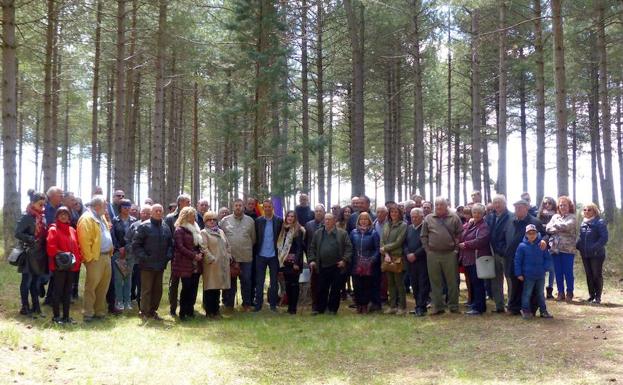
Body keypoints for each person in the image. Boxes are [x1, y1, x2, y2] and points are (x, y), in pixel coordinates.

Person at [504, 199, 548, 315]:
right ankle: (514, 308)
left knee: (531, 287)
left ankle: (531, 309)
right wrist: (503, 250)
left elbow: (544, 235)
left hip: (530, 260)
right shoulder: (511, 221)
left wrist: (543, 241)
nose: (517, 210)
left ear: (526, 208)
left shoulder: (534, 222)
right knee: (515, 283)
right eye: (516, 207)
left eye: (520, 207)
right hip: (514, 258)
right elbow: (503, 237)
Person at [420, 196, 463, 315]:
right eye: (437, 204)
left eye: (441, 205)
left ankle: (454, 306)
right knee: (435, 281)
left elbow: (460, 234)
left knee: (452, 281)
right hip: (433, 254)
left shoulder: (454, 217)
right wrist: (427, 250)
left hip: (449, 254)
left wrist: (455, 250)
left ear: (446, 205)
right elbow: (423, 235)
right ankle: (438, 307)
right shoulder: (428, 218)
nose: (439, 207)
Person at [132, 204, 174, 321]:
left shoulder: (165, 227)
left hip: (160, 264)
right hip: (147, 265)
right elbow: (136, 245)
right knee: (146, 290)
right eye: (156, 211)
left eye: (160, 211)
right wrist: (144, 257)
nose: (159, 212)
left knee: (158, 290)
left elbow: (170, 244)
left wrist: (168, 256)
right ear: (151, 212)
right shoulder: (143, 226)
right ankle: (144, 312)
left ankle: (152, 311)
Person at [77, 195, 114, 322]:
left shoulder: (101, 217)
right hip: (95, 258)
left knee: (103, 286)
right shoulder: (86, 218)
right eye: (105, 206)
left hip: (106, 256)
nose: (107, 209)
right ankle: (88, 313)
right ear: (97, 206)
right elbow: (84, 240)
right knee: (91, 287)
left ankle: (99, 312)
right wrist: (90, 258)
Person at [308, 213, 352, 315]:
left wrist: (344, 260)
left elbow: (349, 248)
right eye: (325, 219)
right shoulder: (318, 233)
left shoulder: (342, 233)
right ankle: (320, 309)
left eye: (329, 219)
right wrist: (312, 260)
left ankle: (332, 309)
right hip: (322, 265)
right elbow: (312, 248)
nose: (327, 221)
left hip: (337, 265)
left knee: (335, 289)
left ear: (334, 221)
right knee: (322, 288)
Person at [46, 206, 82, 324]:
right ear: (57, 216)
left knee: (68, 292)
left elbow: (77, 247)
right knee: (58, 291)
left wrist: (77, 259)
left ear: (69, 216)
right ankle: (56, 317)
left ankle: (66, 317)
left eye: (66, 214)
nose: (63, 216)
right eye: (61, 214)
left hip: (71, 266)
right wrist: (64, 254)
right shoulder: (53, 229)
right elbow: (50, 248)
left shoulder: (72, 230)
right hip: (59, 266)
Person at [15, 190, 48, 318]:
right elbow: (17, 233)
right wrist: (30, 239)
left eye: (44, 204)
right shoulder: (27, 216)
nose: (42, 207)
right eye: (40, 204)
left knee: (36, 281)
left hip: (40, 253)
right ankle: (25, 307)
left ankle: (36, 307)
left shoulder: (42, 217)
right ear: (33, 203)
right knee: (27, 281)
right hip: (29, 253)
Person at [219, 198, 256, 311]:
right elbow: (221, 238)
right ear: (233, 207)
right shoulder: (225, 221)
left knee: (246, 281)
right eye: (236, 205)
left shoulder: (250, 221)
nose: (238, 207)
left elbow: (253, 239)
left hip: (246, 257)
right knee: (230, 282)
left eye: (240, 205)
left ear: (243, 206)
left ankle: (246, 304)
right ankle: (229, 305)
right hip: (230, 258)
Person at [515, 224, 553, 319]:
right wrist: (518, 273)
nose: (532, 235)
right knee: (527, 294)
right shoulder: (522, 246)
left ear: (537, 233)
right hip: (528, 275)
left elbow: (547, 258)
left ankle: (543, 311)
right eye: (529, 233)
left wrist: (545, 268)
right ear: (526, 234)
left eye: (534, 233)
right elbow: (517, 261)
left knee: (540, 294)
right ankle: (526, 311)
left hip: (540, 275)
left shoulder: (542, 245)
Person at [172, 207, 204, 320]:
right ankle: (182, 312)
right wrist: (194, 255)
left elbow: (200, 244)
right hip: (184, 262)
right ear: (185, 216)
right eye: (191, 215)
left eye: (194, 215)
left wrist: (200, 254)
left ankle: (190, 310)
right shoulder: (179, 230)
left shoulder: (197, 228)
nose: (194, 217)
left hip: (196, 263)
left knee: (194, 288)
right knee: (186, 287)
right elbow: (180, 247)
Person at [458, 203, 491, 315]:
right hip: (468, 259)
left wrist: (466, 244)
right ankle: (475, 304)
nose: (476, 214)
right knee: (472, 282)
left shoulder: (483, 226)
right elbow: (462, 234)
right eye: (474, 212)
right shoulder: (470, 224)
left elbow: (481, 240)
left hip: (477, 259)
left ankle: (479, 307)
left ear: (483, 214)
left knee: (478, 283)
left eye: (479, 213)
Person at [545, 196, 577, 302]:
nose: (563, 207)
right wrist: (557, 226)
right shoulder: (555, 216)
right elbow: (548, 228)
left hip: (568, 249)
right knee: (558, 272)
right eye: (561, 205)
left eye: (565, 205)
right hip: (555, 249)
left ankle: (569, 292)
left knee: (568, 272)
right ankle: (560, 292)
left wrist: (555, 226)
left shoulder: (573, 217)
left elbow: (567, 226)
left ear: (569, 206)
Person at [254, 199, 283, 312]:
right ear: (263, 208)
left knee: (274, 281)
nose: (267, 209)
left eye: (269, 207)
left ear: (272, 208)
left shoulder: (279, 221)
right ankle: (258, 305)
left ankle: (273, 305)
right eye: (265, 207)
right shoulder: (258, 221)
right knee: (259, 281)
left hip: (274, 256)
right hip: (261, 255)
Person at [200, 211, 232, 318]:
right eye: (209, 220)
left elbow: (227, 245)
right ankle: (210, 312)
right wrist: (211, 259)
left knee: (218, 288)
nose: (212, 222)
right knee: (210, 289)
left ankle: (216, 311)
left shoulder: (221, 231)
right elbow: (203, 248)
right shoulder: (204, 232)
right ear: (205, 221)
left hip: (222, 264)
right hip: (211, 265)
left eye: (214, 219)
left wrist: (228, 255)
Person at [165, 193, 191, 317]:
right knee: (174, 283)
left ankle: (185, 308)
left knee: (187, 283)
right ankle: (173, 307)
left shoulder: (191, 217)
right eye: (187, 202)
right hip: (175, 255)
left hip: (188, 256)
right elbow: (167, 236)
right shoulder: (170, 218)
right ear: (180, 203)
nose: (189, 204)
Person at [577, 203, 608, 304]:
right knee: (588, 275)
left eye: (589, 210)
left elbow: (604, 238)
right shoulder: (583, 223)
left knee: (596, 275)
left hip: (597, 254)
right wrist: (578, 245)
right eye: (585, 210)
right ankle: (591, 296)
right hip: (585, 254)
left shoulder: (600, 222)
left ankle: (598, 297)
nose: (586, 211)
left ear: (594, 211)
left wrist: (594, 248)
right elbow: (581, 237)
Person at [349, 212, 379, 314]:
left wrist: (372, 259)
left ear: (369, 220)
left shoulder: (373, 233)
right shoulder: (353, 232)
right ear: (359, 221)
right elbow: (350, 247)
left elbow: (377, 249)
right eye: (361, 219)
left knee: (366, 285)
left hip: (368, 264)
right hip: (356, 264)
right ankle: (359, 305)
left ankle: (365, 305)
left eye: (366, 219)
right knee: (357, 286)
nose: (364, 221)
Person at [485, 194, 511, 313]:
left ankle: (511, 304)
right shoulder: (490, 217)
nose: (497, 205)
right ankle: (499, 305)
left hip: (506, 254)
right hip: (494, 253)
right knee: (496, 280)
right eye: (495, 202)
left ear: (505, 203)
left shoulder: (511, 216)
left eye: (499, 202)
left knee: (509, 279)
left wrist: (506, 250)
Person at [276, 210, 306, 314]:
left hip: (294, 262)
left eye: (292, 216)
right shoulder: (283, 230)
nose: (290, 218)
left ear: (295, 218)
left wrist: (296, 263)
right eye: (288, 216)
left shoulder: (298, 230)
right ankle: (289, 307)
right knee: (288, 284)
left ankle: (293, 308)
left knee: (294, 284)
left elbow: (299, 248)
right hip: (285, 262)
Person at [111, 199, 137, 312]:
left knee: (128, 277)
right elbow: (113, 236)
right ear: (120, 208)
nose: (126, 209)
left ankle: (127, 301)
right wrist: (119, 247)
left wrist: (128, 248)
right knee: (118, 278)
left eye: (128, 207)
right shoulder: (115, 221)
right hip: (118, 253)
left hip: (130, 253)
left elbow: (136, 237)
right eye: (124, 207)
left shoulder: (134, 221)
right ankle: (119, 301)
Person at [380, 205, 407, 315]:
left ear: (400, 213)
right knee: (390, 283)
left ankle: (402, 306)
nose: (394, 214)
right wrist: (385, 253)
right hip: (386, 257)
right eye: (392, 212)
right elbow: (382, 240)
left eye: (396, 212)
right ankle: (392, 306)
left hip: (397, 257)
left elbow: (399, 242)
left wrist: (385, 248)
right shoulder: (386, 224)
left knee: (399, 282)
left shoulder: (403, 225)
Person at [404, 208, 430, 316]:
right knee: (414, 284)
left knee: (422, 284)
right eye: (412, 216)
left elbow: (426, 244)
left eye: (416, 217)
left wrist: (415, 254)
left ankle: (422, 307)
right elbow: (404, 243)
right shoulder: (409, 228)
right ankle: (417, 305)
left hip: (422, 260)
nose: (413, 219)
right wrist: (407, 253)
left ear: (422, 217)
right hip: (410, 261)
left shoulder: (426, 228)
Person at [125, 205, 152, 306]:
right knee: (138, 282)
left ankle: (148, 303)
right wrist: (132, 250)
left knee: (148, 284)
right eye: (143, 213)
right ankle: (139, 302)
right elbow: (127, 239)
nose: (145, 215)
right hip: (136, 260)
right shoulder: (134, 225)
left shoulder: (155, 226)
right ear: (140, 213)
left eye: (147, 213)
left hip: (150, 260)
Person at [305, 204, 326, 312]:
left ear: (324, 212)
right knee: (314, 284)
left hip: (326, 259)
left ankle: (324, 305)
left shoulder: (328, 223)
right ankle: (315, 306)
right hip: (313, 259)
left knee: (325, 283)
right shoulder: (309, 225)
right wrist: (310, 259)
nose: (318, 213)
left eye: (320, 211)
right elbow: (306, 244)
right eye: (316, 211)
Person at [537, 196, 557, 299]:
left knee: (552, 269)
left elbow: (555, 230)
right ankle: (540, 289)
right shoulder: (539, 215)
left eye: (549, 203)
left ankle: (550, 291)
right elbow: (538, 230)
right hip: (541, 243)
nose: (547, 205)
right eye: (545, 203)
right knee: (542, 267)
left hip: (553, 243)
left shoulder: (557, 215)